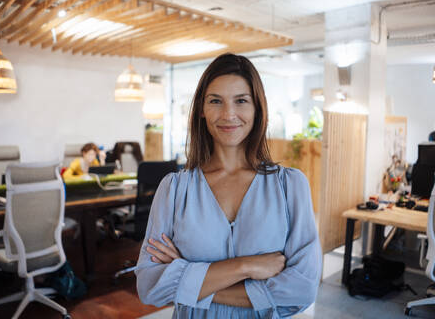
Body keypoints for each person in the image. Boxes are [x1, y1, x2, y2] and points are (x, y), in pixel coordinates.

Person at [135, 53, 322, 318]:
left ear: (257, 108)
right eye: (215, 101)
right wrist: (246, 266)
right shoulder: (174, 189)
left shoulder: (290, 186)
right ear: (202, 108)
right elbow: (150, 286)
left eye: (241, 101)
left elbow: (301, 290)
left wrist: (185, 275)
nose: (228, 114)